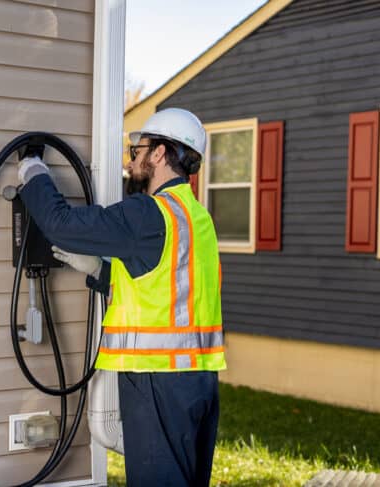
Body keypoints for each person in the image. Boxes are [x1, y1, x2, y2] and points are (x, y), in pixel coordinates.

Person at [16, 108, 226, 486]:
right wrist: (101, 270)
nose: (132, 161)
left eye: (138, 151)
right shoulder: (196, 216)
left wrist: (31, 168)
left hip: (156, 381)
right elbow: (165, 286)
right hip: (198, 384)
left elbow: (61, 225)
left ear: (160, 153)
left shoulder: (148, 214)